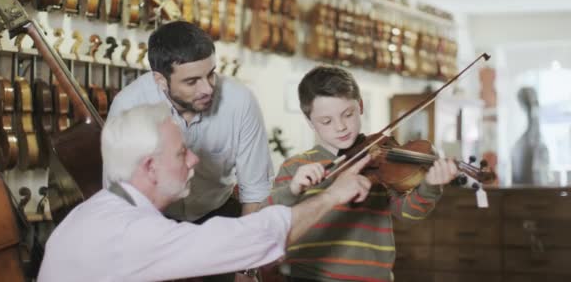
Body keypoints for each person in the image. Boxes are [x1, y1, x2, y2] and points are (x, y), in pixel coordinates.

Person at [37, 103, 373, 281]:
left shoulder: (98, 211)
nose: (195, 159)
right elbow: (249, 238)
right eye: (182, 153)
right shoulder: (129, 232)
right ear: (150, 167)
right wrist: (330, 196)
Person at [107, 21, 273, 280]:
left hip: (217, 216)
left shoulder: (240, 102)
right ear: (160, 80)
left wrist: (246, 261)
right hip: (155, 223)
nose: (207, 88)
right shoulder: (129, 106)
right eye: (192, 81)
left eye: (211, 74)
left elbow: (255, 189)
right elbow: (120, 196)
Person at [262, 66, 459, 282]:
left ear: (361, 106)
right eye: (326, 121)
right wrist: (292, 190)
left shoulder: (380, 160)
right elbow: (267, 220)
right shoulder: (297, 166)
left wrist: (429, 186)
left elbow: (409, 213)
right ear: (310, 121)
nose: (340, 127)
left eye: (348, 114)